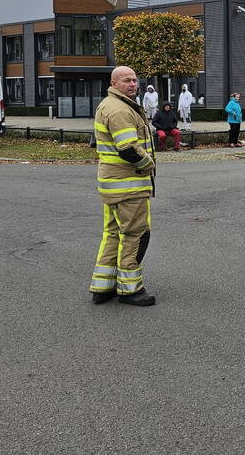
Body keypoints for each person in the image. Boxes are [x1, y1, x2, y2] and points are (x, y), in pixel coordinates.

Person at [89, 66, 157, 307]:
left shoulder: (112, 105)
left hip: (114, 185)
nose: (133, 84)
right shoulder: (119, 109)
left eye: (135, 80)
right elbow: (128, 148)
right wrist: (148, 164)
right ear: (114, 83)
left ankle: (103, 286)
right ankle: (130, 290)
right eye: (127, 80)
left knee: (113, 234)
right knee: (135, 234)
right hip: (128, 186)